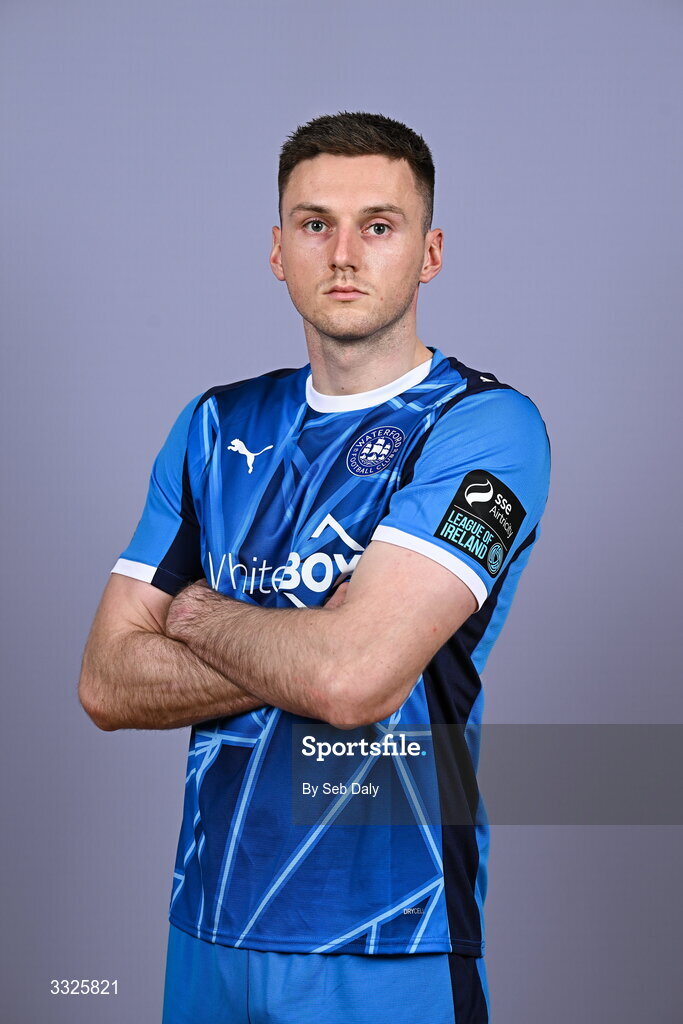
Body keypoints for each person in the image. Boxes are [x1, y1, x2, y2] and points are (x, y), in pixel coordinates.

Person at [79, 110, 551, 1024]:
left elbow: (353, 679)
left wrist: (197, 613)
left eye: (379, 225)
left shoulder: (485, 428)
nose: (343, 254)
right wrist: (311, 636)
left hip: (387, 930)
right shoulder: (212, 426)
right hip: (205, 919)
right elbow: (105, 681)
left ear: (430, 252)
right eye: (313, 224)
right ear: (276, 250)